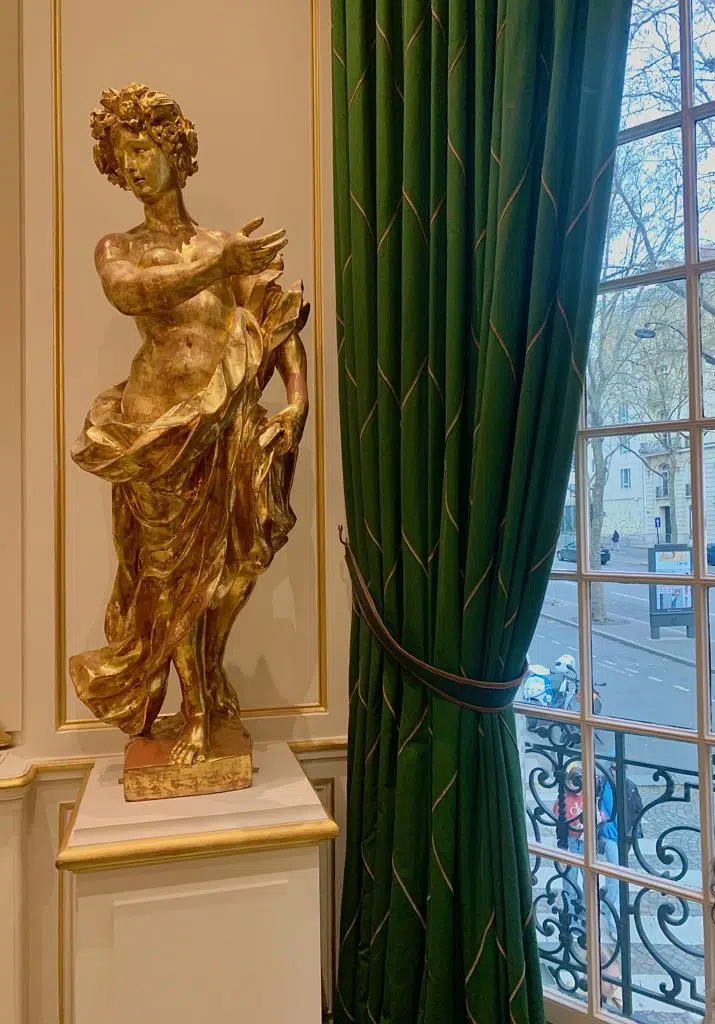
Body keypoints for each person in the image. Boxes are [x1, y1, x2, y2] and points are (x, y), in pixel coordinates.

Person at [69, 84, 310, 765]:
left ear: (174, 151)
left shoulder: (221, 247)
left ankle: (210, 675)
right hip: (157, 434)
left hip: (229, 428)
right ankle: (196, 710)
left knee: (237, 567)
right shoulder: (119, 247)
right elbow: (129, 293)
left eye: (143, 148)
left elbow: (276, 325)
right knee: (172, 579)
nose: (133, 165)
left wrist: (295, 402)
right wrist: (218, 264)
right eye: (122, 155)